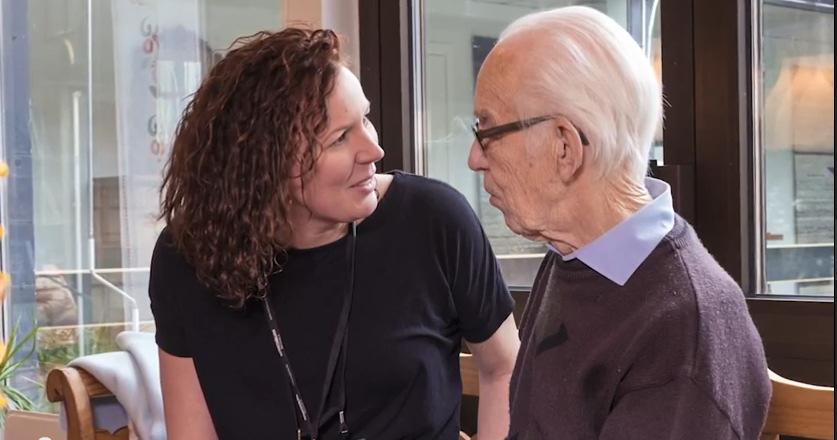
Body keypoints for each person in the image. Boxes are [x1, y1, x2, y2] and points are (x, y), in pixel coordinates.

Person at [150, 28, 519, 439]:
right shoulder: (186, 257)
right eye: (340, 138)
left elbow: (504, 366)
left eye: (364, 118)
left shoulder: (434, 221)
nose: (373, 151)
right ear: (264, 167)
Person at [466, 7, 771, 440]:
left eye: (487, 131)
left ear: (564, 147)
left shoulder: (684, 328)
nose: (474, 158)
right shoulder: (574, 257)